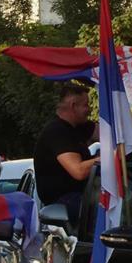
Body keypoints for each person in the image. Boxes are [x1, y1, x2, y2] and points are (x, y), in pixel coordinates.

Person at [33, 83, 99, 224]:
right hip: (67, 205)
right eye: (86, 105)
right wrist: (109, 158)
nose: (89, 109)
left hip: (84, 195)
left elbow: (109, 134)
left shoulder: (79, 127)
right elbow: (79, 171)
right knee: (104, 211)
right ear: (73, 106)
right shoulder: (57, 132)